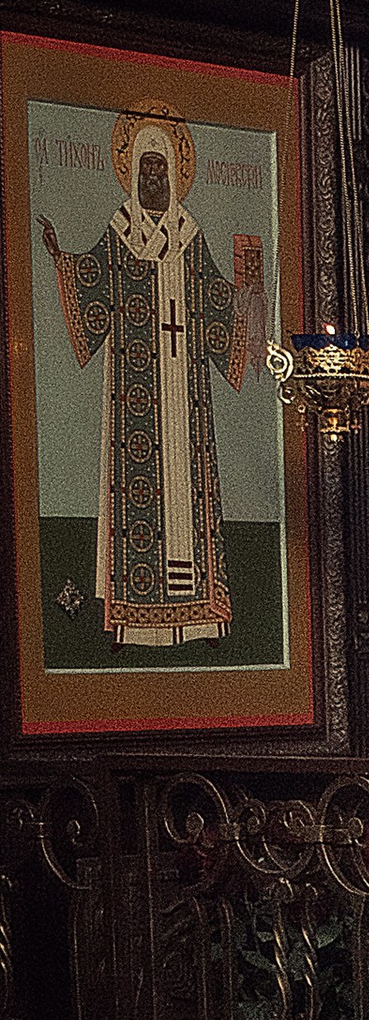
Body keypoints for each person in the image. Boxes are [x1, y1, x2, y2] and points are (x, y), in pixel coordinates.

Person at [43, 111, 264, 646]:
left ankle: (202, 615)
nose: (153, 180)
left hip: (185, 386)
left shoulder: (190, 235)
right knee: (137, 494)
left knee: (191, 491)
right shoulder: (121, 233)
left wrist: (250, 290)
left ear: (173, 174)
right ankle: (134, 621)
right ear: (134, 175)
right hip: (136, 391)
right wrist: (61, 260)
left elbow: (219, 302)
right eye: (145, 170)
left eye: (161, 170)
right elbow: (93, 281)